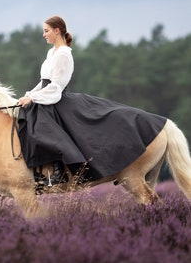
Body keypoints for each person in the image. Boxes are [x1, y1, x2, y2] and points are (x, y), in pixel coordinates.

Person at [17, 15, 166, 186]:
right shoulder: (51, 52)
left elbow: (57, 85)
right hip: (45, 95)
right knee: (28, 119)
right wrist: (29, 95)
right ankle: (37, 171)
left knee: (44, 127)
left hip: (55, 98)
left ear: (57, 31)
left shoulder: (64, 54)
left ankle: (59, 171)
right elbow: (44, 80)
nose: (44, 34)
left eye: (46, 31)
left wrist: (33, 98)